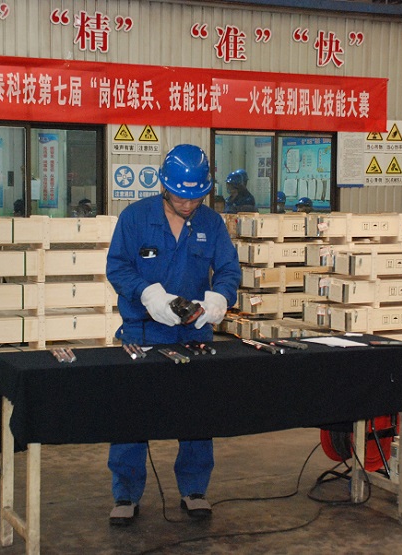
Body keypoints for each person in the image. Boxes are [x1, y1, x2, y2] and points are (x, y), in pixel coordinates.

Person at [105, 144, 241, 526]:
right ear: (165, 187)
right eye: (182, 196)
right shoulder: (135, 218)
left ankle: (194, 488)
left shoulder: (211, 223)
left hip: (194, 335)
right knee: (133, 415)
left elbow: (229, 270)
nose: (189, 204)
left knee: (196, 414)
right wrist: (147, 294)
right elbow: (117, 267)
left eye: (196, 197)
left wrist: (219, 298)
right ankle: (125, 493)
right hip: (142, 332)